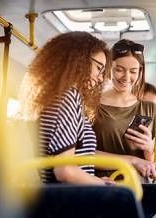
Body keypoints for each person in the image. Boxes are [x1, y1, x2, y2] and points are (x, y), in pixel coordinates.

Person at [19, 31, 114, 185]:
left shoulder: (55, 97)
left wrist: (94, 180)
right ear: (79, 60)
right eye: (99, 68)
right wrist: (104, 186)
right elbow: (65, 171)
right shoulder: (67, 97)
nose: (101, 78)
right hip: (67, 200)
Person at [93, 39, 156, 179]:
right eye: (119, 70)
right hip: (103, 185)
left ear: (140, 72)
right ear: (108, 68)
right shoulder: (91, 104)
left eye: (133, 71)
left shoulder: (150, 109)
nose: (126, 77)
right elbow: (83, 154)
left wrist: (149, 149)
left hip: (140, 188)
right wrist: (132, 161)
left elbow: (154, 167)